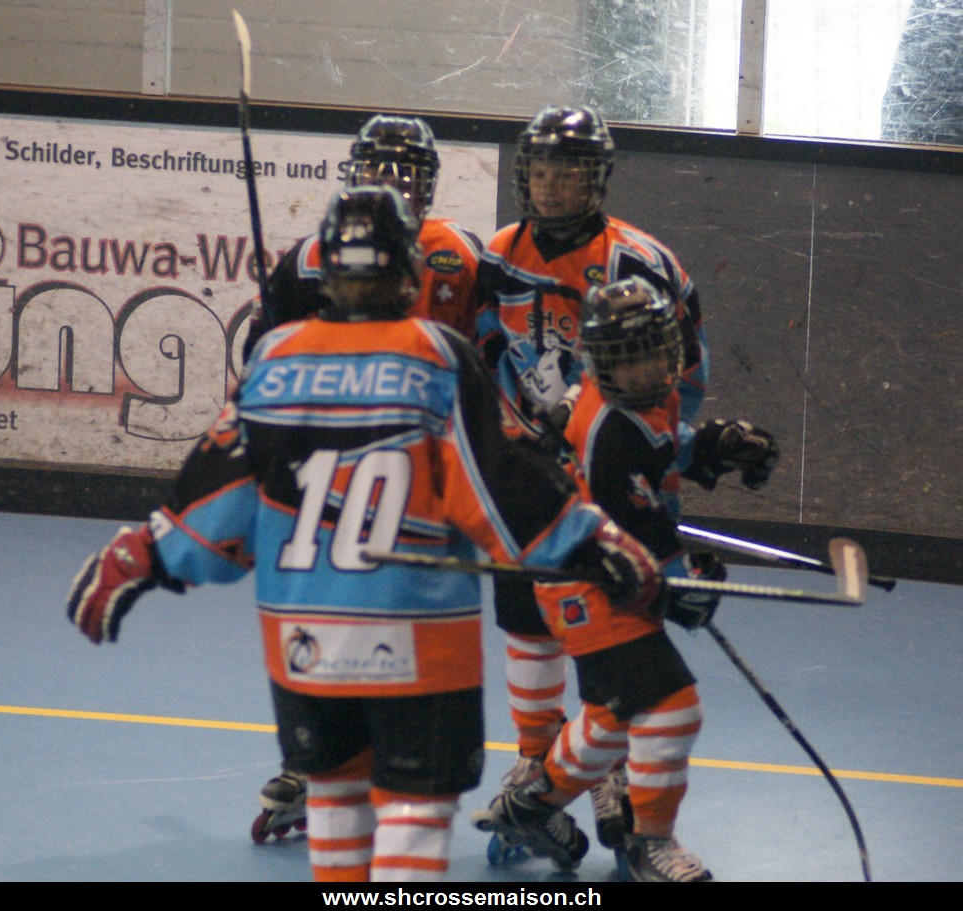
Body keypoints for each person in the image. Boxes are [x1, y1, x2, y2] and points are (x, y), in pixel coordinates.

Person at [65, 185, 666, 883]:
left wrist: (141, 555)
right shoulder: (436, 353)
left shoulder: (277, 355)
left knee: (335, 798)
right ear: (408, 273)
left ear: (328, 273)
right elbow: (497, 484)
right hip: (416, 639)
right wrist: (594, 544)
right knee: (414, 809)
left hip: (303, 642)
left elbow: (219, 496)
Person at [479, 276, 778, 881]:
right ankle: (650, 844)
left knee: (612, 720)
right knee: (673, 708)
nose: (646, 370)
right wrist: (686, 584)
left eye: (655, 353)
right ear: (600, 362)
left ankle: (530, 806)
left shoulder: (644, 399)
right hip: (587, 584)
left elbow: (666, 447)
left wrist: (717, 445)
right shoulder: (605, 430)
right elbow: (641, 533)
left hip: (607, 573)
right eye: (628, 359)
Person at [471, 104, 712, 847]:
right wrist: (507, 438)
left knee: (614, 628)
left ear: (597, 179)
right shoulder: (499, 253)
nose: (551, 187)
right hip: (527, 474)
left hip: (604, 473)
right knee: (526, 619)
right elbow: (482, 346)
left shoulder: (639, 263)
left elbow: (682, 371)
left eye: (568, 173)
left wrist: (661, 448)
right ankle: (537, 762)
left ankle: (607, 766)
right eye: (540, 171)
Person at [244, 113, 486, 841]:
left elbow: (494, 351)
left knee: (400, 613)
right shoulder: (308, 258)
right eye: (379, 169)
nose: (391, 183)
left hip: (423, 470)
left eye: (406, 172)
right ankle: (329, 760)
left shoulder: (460, 254)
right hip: (334, 467)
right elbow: (261, 357)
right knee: (334, 604)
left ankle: (392, 764)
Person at [245, 113, 483, 353]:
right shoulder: (308, 257)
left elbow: (484, 349)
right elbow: (261, 348)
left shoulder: (458, 251)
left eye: (403, 182)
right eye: (374, 178)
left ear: (426, 186)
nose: (386, 193)